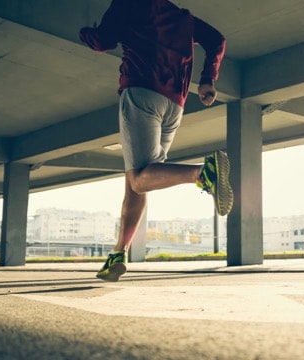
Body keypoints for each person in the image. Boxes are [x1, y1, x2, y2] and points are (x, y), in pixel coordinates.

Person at [79, 0, 233, 282]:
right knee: (139, 181)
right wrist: (208, 79)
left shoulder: (127, 4)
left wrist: (84, 33)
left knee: (139, 179)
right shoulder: (182, 17)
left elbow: (102, 41)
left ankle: (203, 173)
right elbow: (217, 40)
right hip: (175, 103)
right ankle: (118, 253)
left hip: (141, 91)